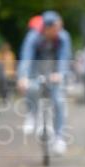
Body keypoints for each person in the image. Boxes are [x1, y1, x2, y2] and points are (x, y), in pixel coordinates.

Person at [18, 11, 72, 154]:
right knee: (31, 88)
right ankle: (31, 114)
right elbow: (26, 58)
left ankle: (59, 137)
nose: (58, 31)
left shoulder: (63, 37)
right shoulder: (33, 37)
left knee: (58, 101)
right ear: (46, 28)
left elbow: (64, 58)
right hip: (37, 69)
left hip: (55, 71)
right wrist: (23, 77)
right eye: (55, 28)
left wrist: (60, 74)